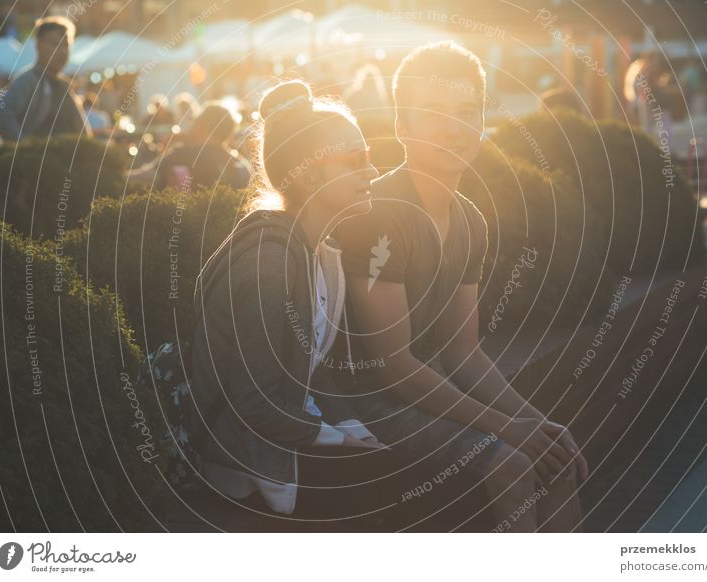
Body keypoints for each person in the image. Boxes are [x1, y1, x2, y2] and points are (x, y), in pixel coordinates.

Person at [188, 80, 486, 530]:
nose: (371, 172)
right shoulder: (267, 263)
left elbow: (315, 366)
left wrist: (354, 430)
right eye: (355, 161)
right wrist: (335, 438)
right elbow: (254, 403)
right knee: (436, 492)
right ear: (309, 175)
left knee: (440, 482)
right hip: (247, 467)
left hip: (288, 441)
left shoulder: (318, 251)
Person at [331, 41, 588, 532]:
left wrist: (538, 424)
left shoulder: (469, 220)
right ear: (402, 128)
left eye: (467, 112)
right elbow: (393, 368)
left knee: (551, 458)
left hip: (425, 389)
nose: (455, 126)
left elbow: (463, 352)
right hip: (363, 403)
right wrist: (507, 428)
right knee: (514, 461)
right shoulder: (380, 213)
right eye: (434, 113)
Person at [0, 17, 91, 141]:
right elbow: (1, 114)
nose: (62, 51)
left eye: (65, 45)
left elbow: (83, 131)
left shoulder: (63, 85)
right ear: (39, 46)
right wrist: (23, 148)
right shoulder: (28, 80)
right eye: (55, 44)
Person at [127, 102, 251, 191]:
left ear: (200, 126)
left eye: (194, 122)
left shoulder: (181, 155)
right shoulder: (240, 165)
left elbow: (145, 178)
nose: (191, 126)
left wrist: (118, 175)